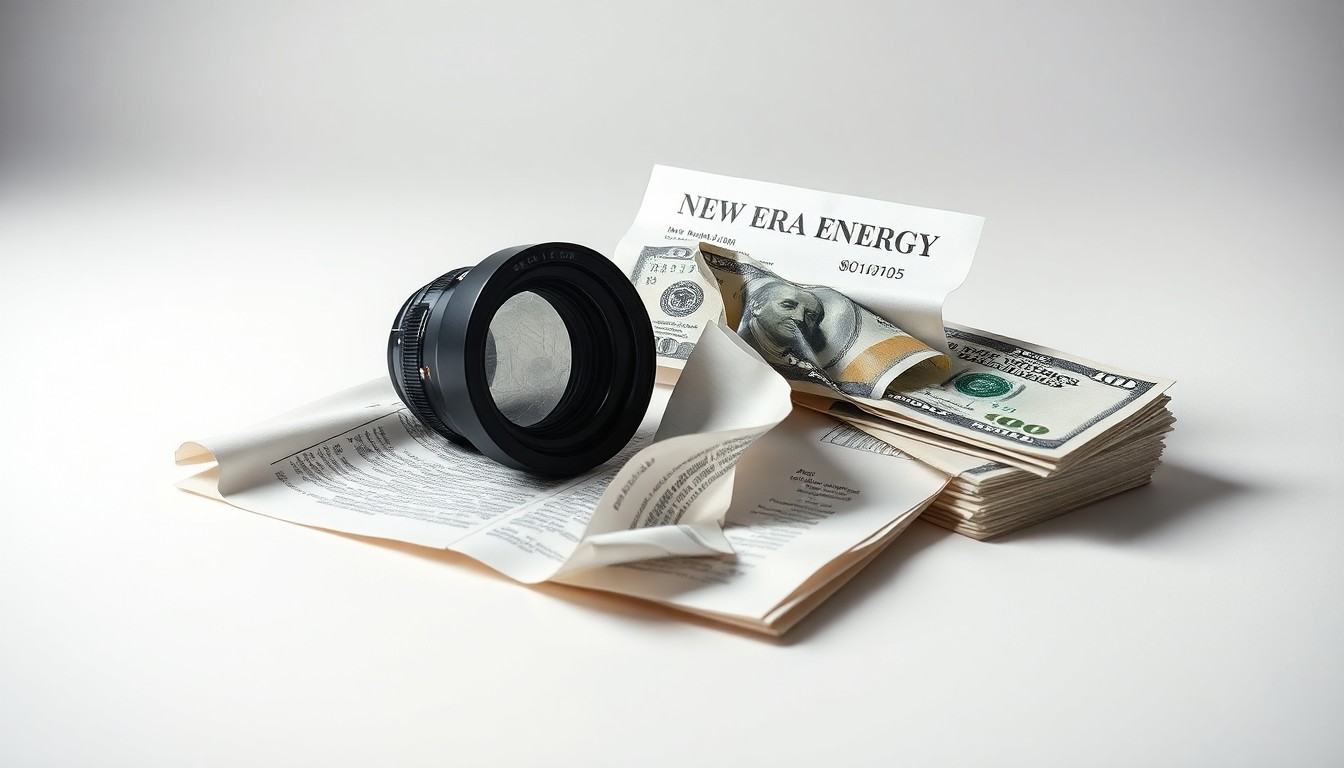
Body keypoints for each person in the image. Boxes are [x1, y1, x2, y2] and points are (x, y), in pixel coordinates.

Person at [738, 280, 826, 370]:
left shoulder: (805, 363)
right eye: (788, 306)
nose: (799, 318)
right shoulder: (738, 345)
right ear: (758, 306)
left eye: (810, 315)